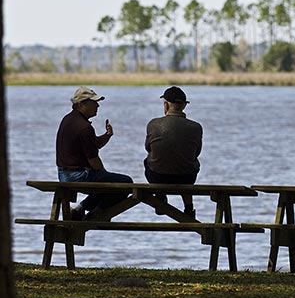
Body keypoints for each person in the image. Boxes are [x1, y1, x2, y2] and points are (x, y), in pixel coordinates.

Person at [56, 86, 132, 220]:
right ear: (81, 104)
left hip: (64, 175)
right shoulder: (84, 127)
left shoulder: (68, 119)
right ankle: (95, 215)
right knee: (125, 183)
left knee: (108, 183)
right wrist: (105, 175)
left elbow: (93, 145)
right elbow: (93, 160)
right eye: (94, 102)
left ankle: (79, 210)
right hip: (78, 176)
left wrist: (107, 136)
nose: (97, 106)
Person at [144, 86, 202, 218]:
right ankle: (189, 207)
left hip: (157, 176)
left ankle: (160, 198)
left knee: (148, 161)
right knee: (190, 163)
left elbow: (148, 148)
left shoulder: (153, 124)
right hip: (185, 178)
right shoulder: (196, 127)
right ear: (184, 106)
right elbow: (196, 153)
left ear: (165, 105)